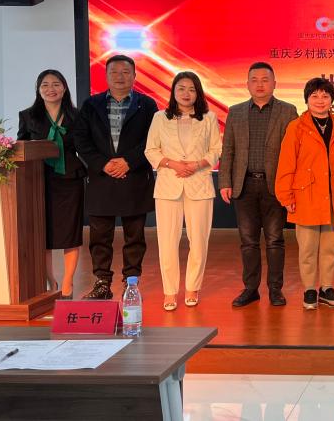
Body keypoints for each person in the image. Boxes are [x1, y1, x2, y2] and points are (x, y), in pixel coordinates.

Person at [73, 55, 158, 300]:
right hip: (102, 179)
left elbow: (153, 140)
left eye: (125, 72)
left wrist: (128, 161)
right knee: (100, 237)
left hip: (134, 179)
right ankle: (102, 283)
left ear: (134, 75)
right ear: (106, 75)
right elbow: (81, 139)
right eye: (114, 72)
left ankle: (131, 283)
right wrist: (103, 163)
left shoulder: (147, 105)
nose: (120, 77)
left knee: (135, 236)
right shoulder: (91, 105)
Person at [219, 62, 299, 307]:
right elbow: (228, 149)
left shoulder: (288, 111)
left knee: (275, 240)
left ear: (274, 84)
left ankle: (275, 289)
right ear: (247, 84)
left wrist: (292, 186)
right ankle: (250, 289)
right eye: (254, 80)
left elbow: (296, 151)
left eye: (265, 80)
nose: (260, 84)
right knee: (248, 241)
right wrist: (225, 181)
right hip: (244, 185)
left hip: (275, 186)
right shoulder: (236, 112)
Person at [276, 77, 334, 310]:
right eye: (315, 96)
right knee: (307, 248)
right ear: (307, 100)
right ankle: (309, 289)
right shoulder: (296, 127)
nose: (320, 100)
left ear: (332, 99)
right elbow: (286, 163)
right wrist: (286, 196)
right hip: (306, 196)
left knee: (331, 248)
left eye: (325, 95)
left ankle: (326, 288)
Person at [145, 71, 222, 311]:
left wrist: (197, 164)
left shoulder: (209, 118)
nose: (186, 93)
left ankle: (192, 288)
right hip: (169, 185)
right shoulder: (160, 117)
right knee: (167, 242)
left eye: (191, 89)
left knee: (198, 241)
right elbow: (151, 150)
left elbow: (216, 149)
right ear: (173, 92)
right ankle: (170, 291)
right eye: (181, 88)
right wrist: (173, 164)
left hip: (200, 184)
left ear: (198, 93)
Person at [17, 69, 86, 299]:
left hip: (69, 180)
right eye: (45, 85)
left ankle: (67, 283)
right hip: (39, 181)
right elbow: (21, 146)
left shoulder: (77, 116)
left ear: (64, 88)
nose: (51, 89)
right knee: (43, 234)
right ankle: (50, 281)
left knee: (70, 233)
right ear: (38, 90)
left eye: (56, 84)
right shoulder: (28, 116)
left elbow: (85, 146)